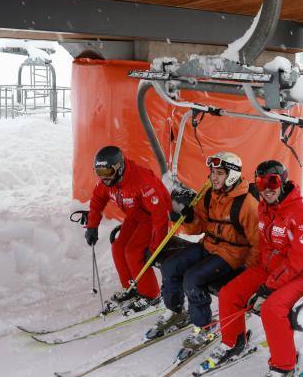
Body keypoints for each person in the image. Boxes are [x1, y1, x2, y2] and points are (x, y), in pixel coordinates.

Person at [202, 160, 303, 376]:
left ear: (283, 181)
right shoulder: (264, 208)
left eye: (272, 181)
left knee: (271, 309)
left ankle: (284, 366)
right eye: (260, 181)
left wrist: (269, 287)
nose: (266, 188)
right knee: (229, 293)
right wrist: (252, 272)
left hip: (302, 276)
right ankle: (234, 342)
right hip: (270, 270)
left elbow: (297, 261)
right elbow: (264, 245)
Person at [148, 152, 259, 352]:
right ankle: (175, 311)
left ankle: (203, 326)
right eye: (212, 172)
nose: (213, 177)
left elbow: (258, 242)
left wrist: (248, 272)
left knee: (192, 279)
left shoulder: (247, 203)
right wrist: (188, 217)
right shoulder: (210, 194)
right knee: (170, 266)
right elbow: (196, 228)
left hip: (232, 253)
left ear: (232, 175)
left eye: (219, 173)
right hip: (208, 244)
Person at [84, 145, 172, 312]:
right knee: (118, 248)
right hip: (134, 217)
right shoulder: (108, 181)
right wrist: (92, 226)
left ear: (119, 167)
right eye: (100, 173)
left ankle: (151, 294)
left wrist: (156, 247)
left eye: (107, 173)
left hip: (151, 219)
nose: (104, 178)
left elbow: (160, 215)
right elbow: (97, 201)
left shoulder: (141, 180)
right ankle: (132, 288)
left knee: (133, 252)